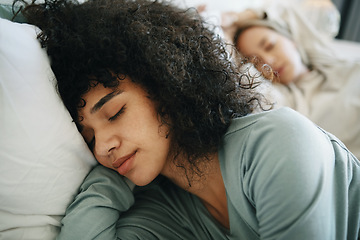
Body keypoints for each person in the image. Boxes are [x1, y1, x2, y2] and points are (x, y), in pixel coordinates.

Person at [20, 0, 360, 239]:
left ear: (167, 86)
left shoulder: (278, 142)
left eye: (115, 113)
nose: (103, 146)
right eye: (89, 137)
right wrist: (111, 179)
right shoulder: (162, 210)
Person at [220, 2, 360, 159]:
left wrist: (238, 18)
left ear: (291, 38)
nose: (268, 62)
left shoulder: (331, 62)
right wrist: (228, 37)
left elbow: (301, 11)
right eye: (256, 62)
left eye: (269, 46)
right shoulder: (288, 104)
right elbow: (243, 79)